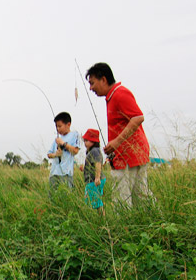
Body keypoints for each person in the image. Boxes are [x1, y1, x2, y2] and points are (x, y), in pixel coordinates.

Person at [86, 63, 154, 207]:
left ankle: (126, 228)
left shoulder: (120, 93)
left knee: (122, 199)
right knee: (140, 195)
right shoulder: (112, 96)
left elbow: (138, 117)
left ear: (103, 79)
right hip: (126, 155)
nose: (91, 88)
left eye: (92, 83)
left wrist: (116, 142)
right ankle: (154, 223)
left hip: (130, 155)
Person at [45, 112, 81, 192]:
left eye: (60, 126)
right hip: (54, 173)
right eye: (56, 127)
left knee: (66, 196)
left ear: (68, 124)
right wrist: (55, 154)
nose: (58, 129)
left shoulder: (74, 135)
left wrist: (63, 144)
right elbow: (49, 154)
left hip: (66, 173)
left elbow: (75, 151)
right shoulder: (57, 140)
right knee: (52, 197)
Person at [80, 128, 105, 210]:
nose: (85, 143)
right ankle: (100, 218)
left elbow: (98, 163)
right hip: (92, 180)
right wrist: (84, 168)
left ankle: (101, 219)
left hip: (94, 180)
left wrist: (97, 177)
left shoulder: (95, 151)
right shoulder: (91, 151)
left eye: (87, 141)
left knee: (94, 201)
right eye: (84, 141)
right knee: (95, 201)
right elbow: (92, 165)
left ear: (94, 141)